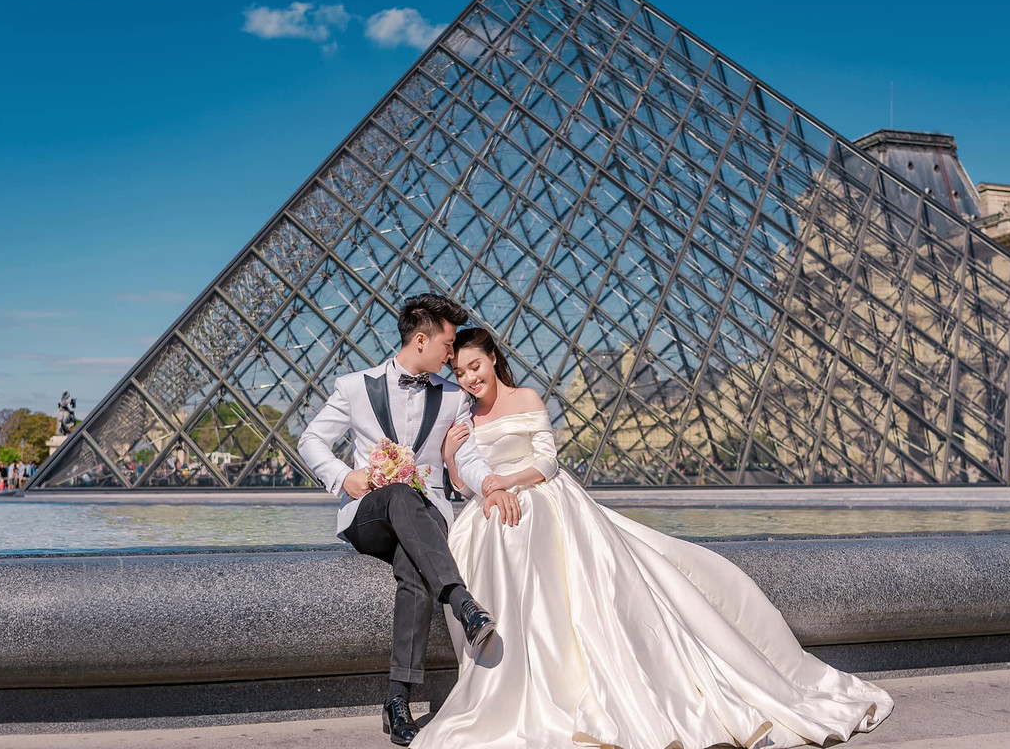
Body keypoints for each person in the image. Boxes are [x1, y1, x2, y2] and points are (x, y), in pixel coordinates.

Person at [412, 327, 894, 749]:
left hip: (539, 494)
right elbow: (462, 483)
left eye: (475, 366)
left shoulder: (528, 398)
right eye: (460, 372)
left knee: (526, 530)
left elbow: (548, 462)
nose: (469, 378)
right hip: (493, 503)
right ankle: (517, 675)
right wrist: (453, 457)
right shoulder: (464, 418)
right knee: (491, 534)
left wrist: (507, 482)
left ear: (493, 358)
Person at [297, 294, 517, 746]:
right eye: (448, 344)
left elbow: (468, 456)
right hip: (370, 514)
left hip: (426, 514)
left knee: (415, 571)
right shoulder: (354, 386)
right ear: (421, 340)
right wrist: (343, 476)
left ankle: (398, 702)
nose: (452, 356)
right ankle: (461, 601)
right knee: (398, 493)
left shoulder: (454, 396)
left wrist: (491, 484)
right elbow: (311, 440)